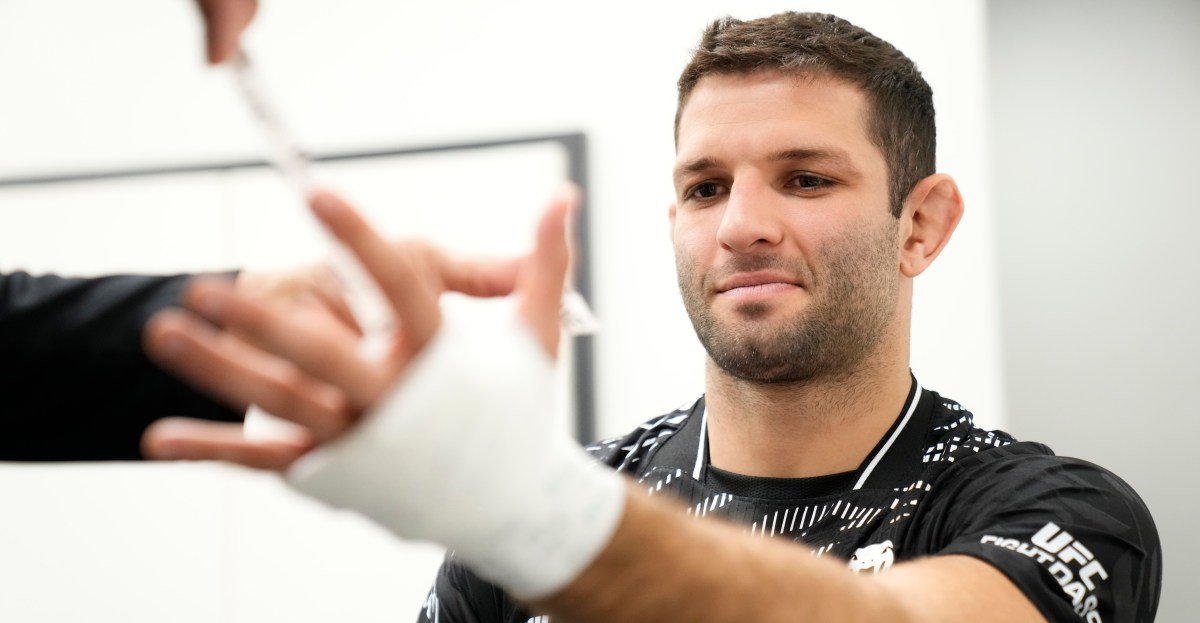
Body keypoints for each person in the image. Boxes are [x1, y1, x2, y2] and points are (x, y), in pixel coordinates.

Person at [141, 11, 1161, 623]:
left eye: (806, 178)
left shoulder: (1053, 513)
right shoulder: (546, 503)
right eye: (705, 187)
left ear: (921, 224)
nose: (743, 225)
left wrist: (538, 518)